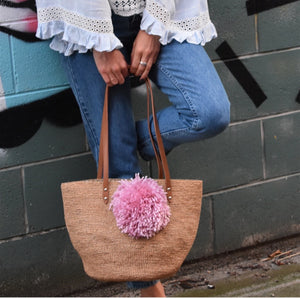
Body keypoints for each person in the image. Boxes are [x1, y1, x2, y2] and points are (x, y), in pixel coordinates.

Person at [35, 0, 230, 296]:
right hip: (86, 19)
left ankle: (130, 141)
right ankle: (150, 292)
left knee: (209, 113)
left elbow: (211, 115)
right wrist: (101, 44)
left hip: (160, 13)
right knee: (120, 167)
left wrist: (152, 29)